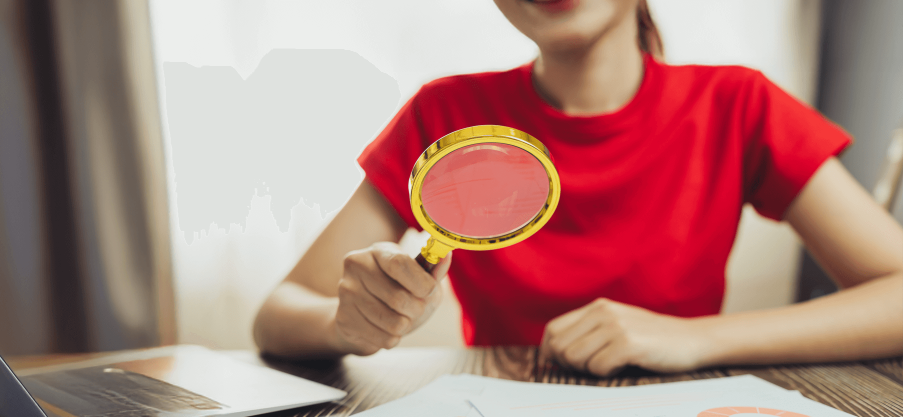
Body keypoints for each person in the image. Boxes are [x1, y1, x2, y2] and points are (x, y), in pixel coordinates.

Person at [252, 0, 903, 376]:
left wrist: (700, 338)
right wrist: (348, 322)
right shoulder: (443, 115)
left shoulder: (738, 104)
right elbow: (278, 314)